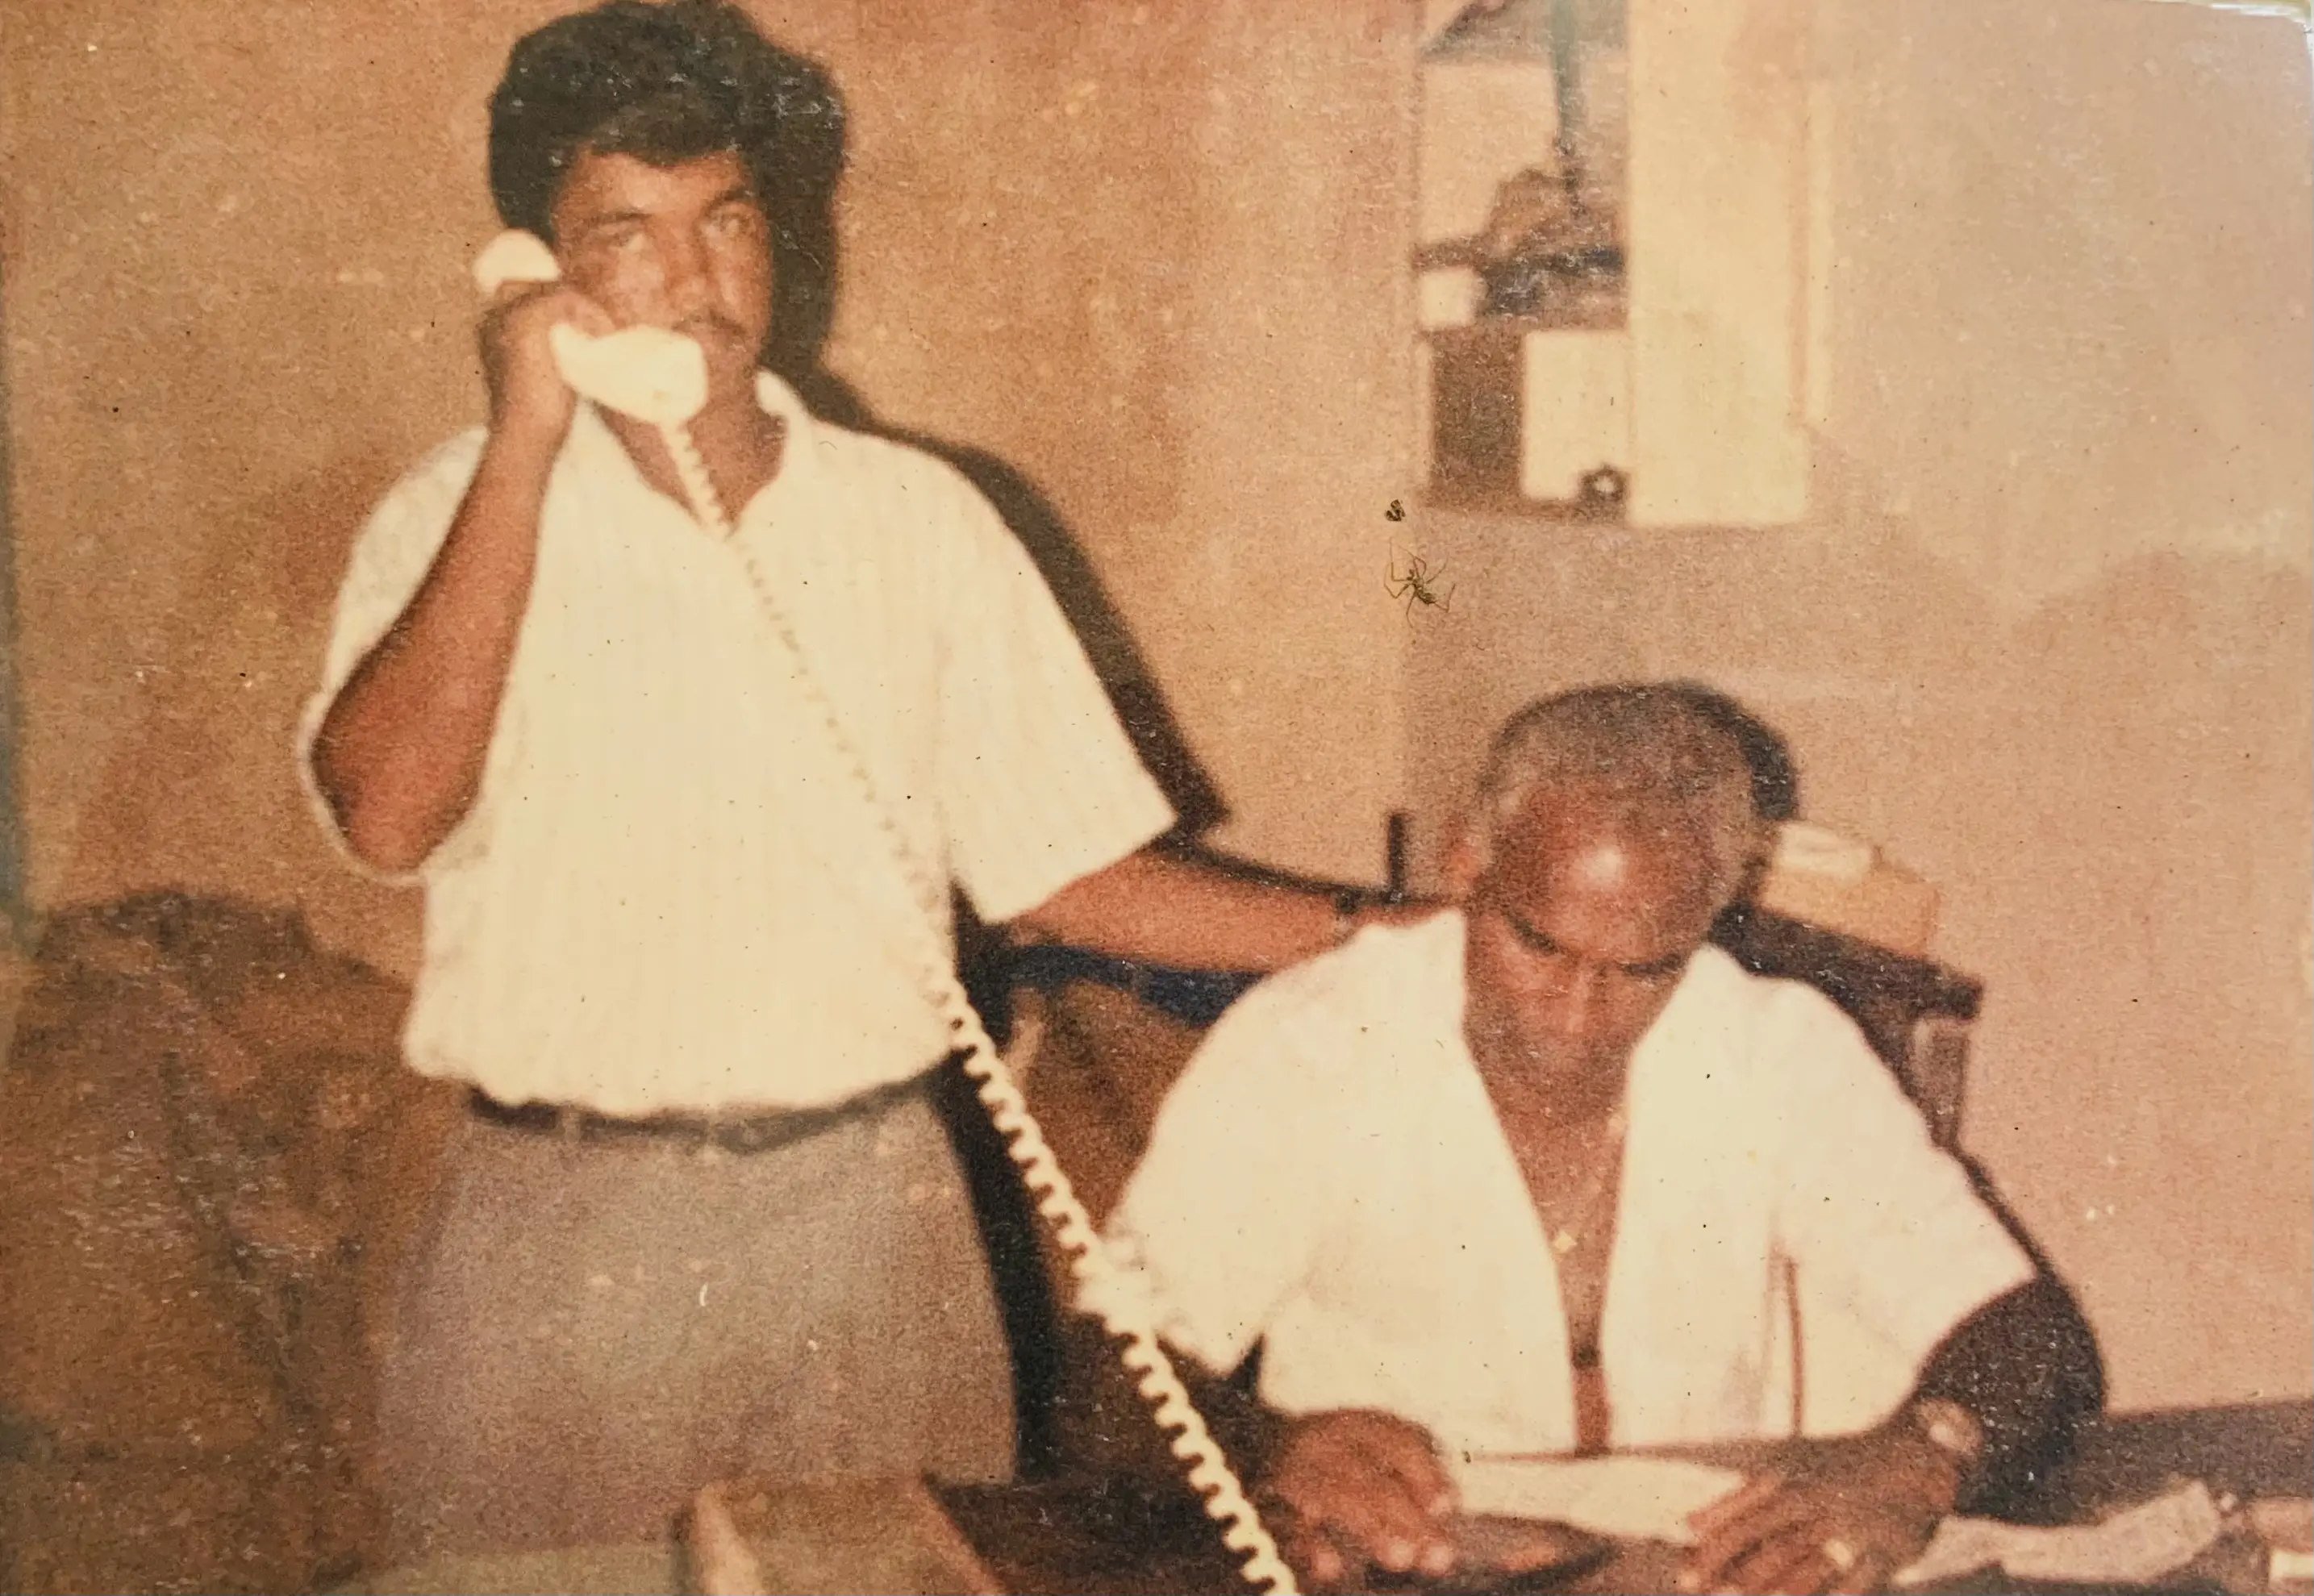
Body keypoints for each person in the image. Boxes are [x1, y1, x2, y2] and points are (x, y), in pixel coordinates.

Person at [297, 0, 1404, 1562]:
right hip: (564, 1228)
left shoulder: (921, 522)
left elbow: (1065, 870)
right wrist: (523, 445)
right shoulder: (453, 516)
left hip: (871, 1221)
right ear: (538, 276)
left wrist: (1396, 928)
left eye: (728, 220)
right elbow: (388, 810)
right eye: (627, 232)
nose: (691, 279)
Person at [1107, 684, 2103, 1595]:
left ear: (1715, 913)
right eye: (1535, 942)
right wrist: (1270, 1442)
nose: (1574, 1019)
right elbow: (1109, 1364)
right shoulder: (1311, 1043)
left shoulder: (1770, 1045)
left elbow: (2024, 1333)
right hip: (1397, 1570)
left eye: (1643, 969)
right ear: (1468, 859)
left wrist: (1914, 1457)